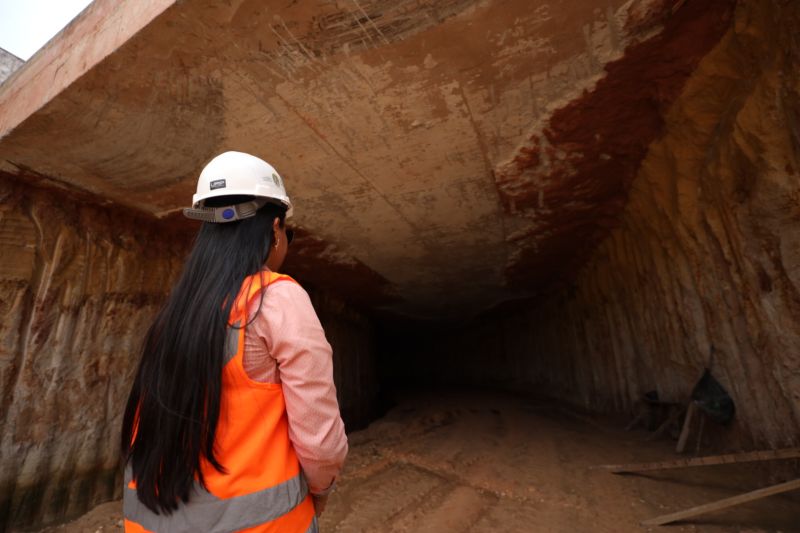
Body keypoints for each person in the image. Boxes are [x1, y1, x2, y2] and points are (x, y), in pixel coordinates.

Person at [120, 151, 348, 533]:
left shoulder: (174, 315)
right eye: (287, 234)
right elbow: (318, 435)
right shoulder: (275, 299)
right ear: (275, 229)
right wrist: (322, 488)